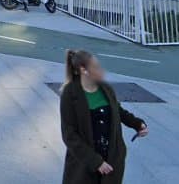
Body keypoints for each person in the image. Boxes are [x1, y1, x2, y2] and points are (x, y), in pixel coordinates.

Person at [60, 49, 148, 184]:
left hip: (112, 160)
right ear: (84, 70)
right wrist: (96, 162)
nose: (101, 70)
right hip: (84, 165)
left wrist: (137, 124)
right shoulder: (70, 94)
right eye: (96, 67)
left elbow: (118, 111)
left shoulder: (106, 88)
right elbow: (69, 135)